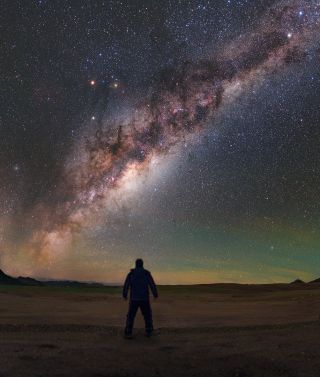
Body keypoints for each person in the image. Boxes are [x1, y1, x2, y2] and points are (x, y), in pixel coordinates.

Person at [123, 258, 158, 338]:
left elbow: (126, 285)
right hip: (144, 298)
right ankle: (149, 331)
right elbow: (152, 284)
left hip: (134, 299)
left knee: (131, 316)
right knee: (147, 315)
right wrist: (155, 294)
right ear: (142, 264)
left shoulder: (131, 274)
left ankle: (128, 332)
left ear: (136, 264)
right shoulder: (146, 274)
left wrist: (125, 295)